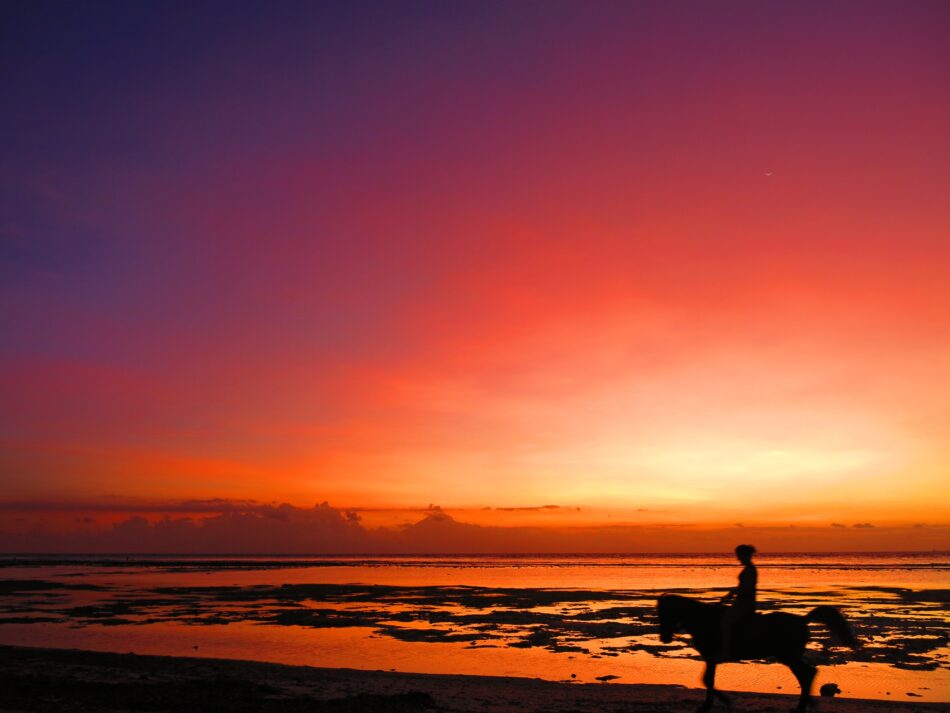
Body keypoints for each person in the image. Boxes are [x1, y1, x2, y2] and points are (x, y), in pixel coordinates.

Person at [719, 544, 757, 661]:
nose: (738, 558)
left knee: (725, 622)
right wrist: (731, 594)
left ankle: (726, 651)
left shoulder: (750, 570)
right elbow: (743, 587)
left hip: (745, 604)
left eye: (739, 556)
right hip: (741, 602)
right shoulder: (748, 569)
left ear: (745, 555)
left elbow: (747, 589)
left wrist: (733, 592)